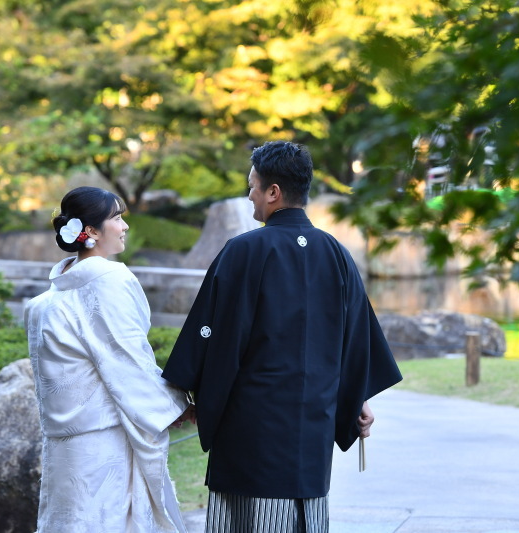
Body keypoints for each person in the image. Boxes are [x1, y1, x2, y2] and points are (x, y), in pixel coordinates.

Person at [162, 141, 403, 532]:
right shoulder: (337, 254)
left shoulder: (243, 251)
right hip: (313, 429)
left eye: (252, 187)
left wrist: (190, 394)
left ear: (273, 192)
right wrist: (355, 398)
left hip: (251, 429)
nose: (250, 196)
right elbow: (357, 341)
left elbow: (214, 337)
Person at [25, 186, 193, 533]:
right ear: (92, 231)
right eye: (117, 217)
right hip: (104, 441)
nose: (124, 226)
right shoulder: (111, 279)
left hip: (64, 445)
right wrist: (178, 405)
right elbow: (128, 361)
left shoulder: (44, 301)